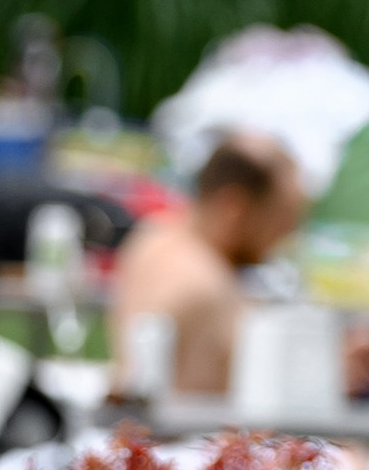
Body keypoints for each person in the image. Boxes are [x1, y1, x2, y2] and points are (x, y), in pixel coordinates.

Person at [109, 135, 304, 402]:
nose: (286, 235)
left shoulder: (152, 235)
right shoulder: (203, 284)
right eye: (281, 218)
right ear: (234, 207)